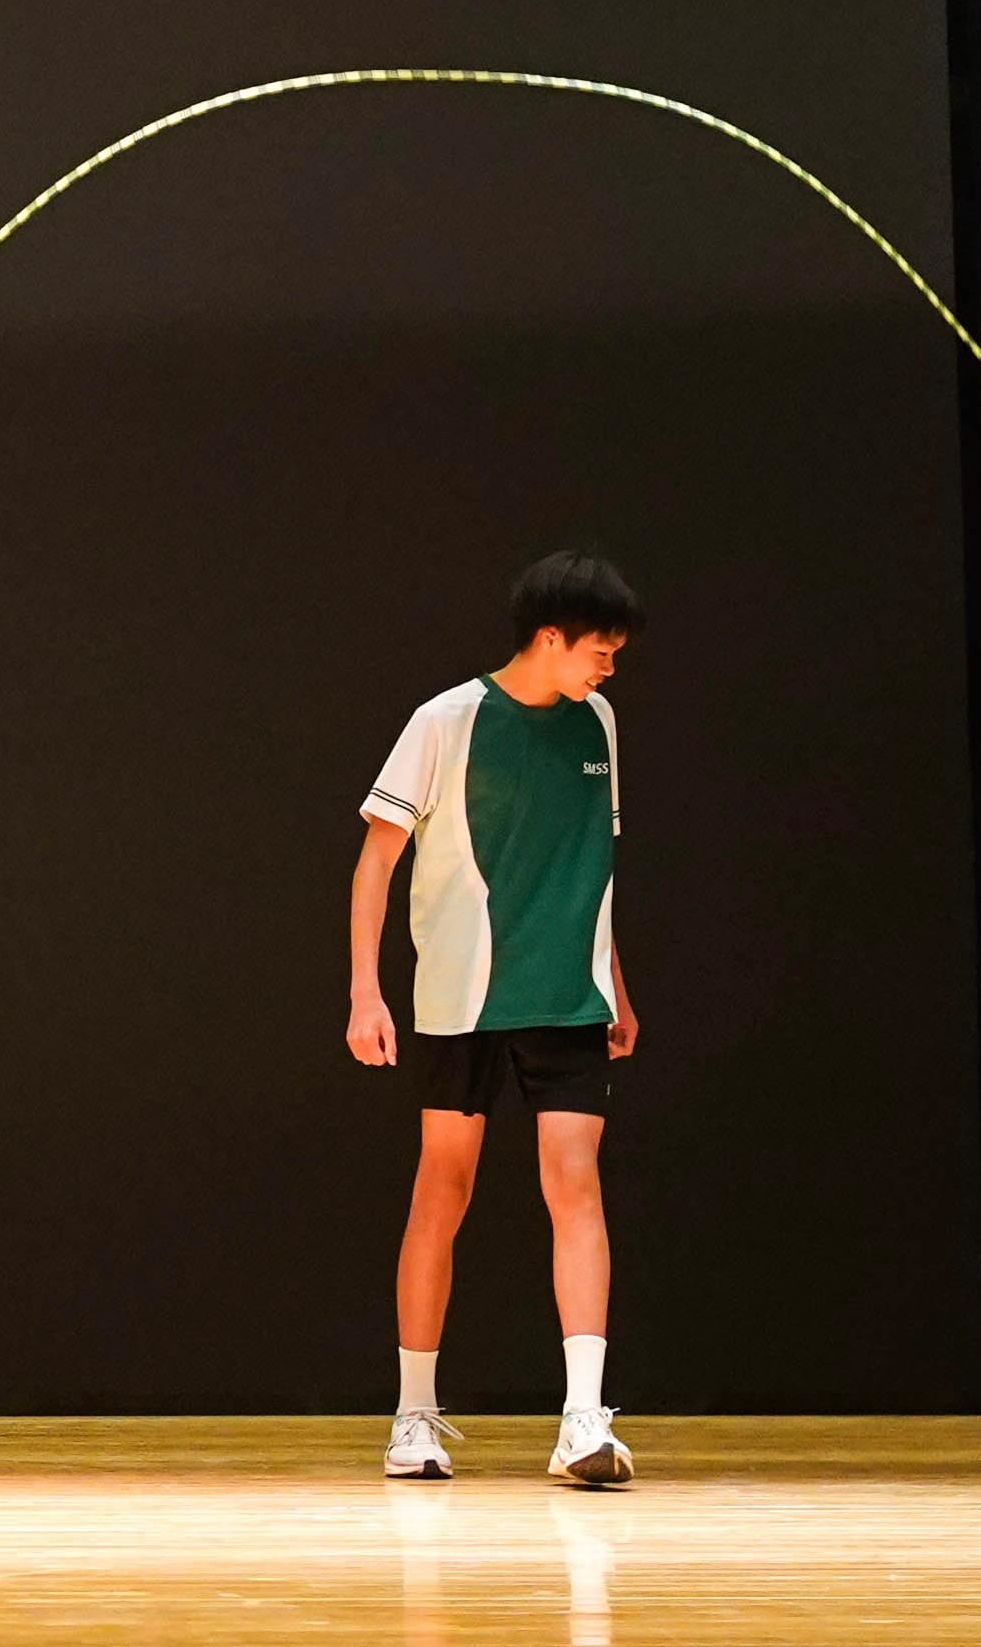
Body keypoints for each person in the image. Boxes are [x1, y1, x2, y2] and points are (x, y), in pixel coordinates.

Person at [348, 549, 640, 1490]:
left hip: (569, 998)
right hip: (460, 1000)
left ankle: (583, 1419)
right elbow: (376, 861)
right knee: (444, 1189)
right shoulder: (445, 721)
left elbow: (592, 865)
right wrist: (365, 991)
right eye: (599, 651)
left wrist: (616, 985)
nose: (609, 669)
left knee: (576, 1185)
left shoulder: (599, 723)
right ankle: (413, 1415)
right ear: (550, 637)